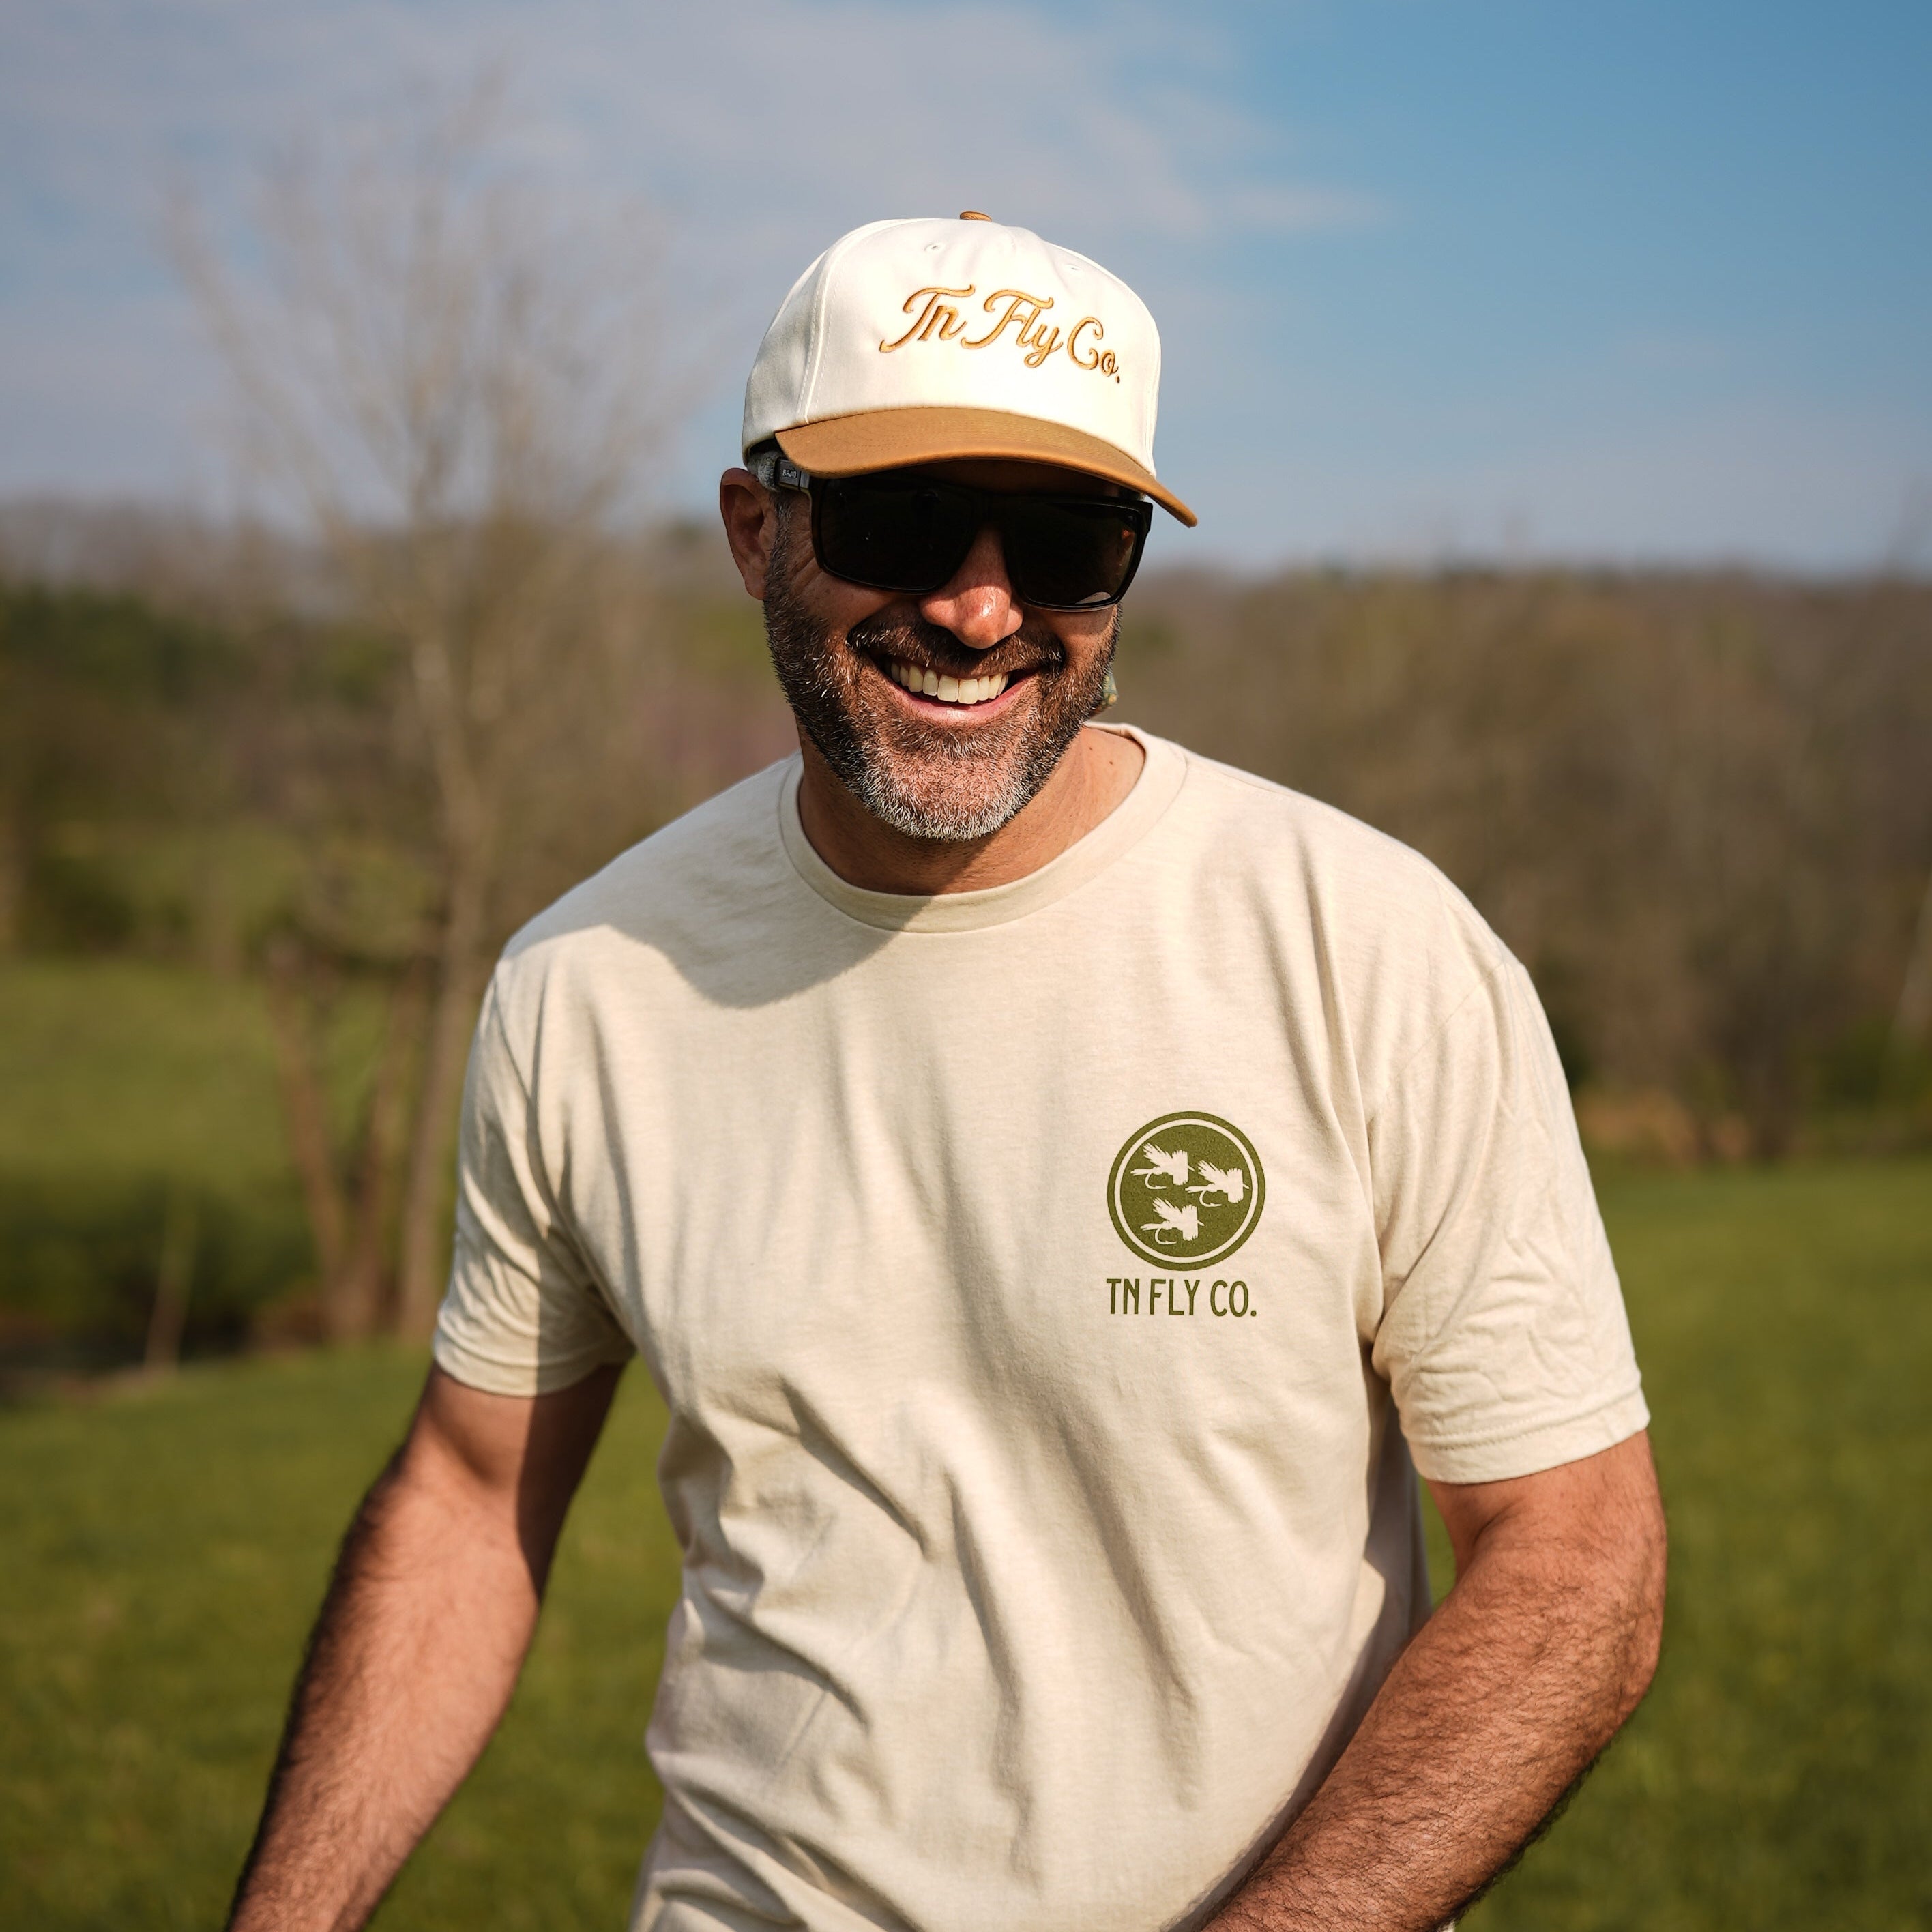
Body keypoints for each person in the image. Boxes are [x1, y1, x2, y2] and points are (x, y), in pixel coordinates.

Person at [228, 214, 1666, 1932]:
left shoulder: (1370, 951)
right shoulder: (582, 988)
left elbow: (1578, 1562)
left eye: (1068, 538)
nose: (982, 607)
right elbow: (468, 1500)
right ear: (756, 532)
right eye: (902, 519)